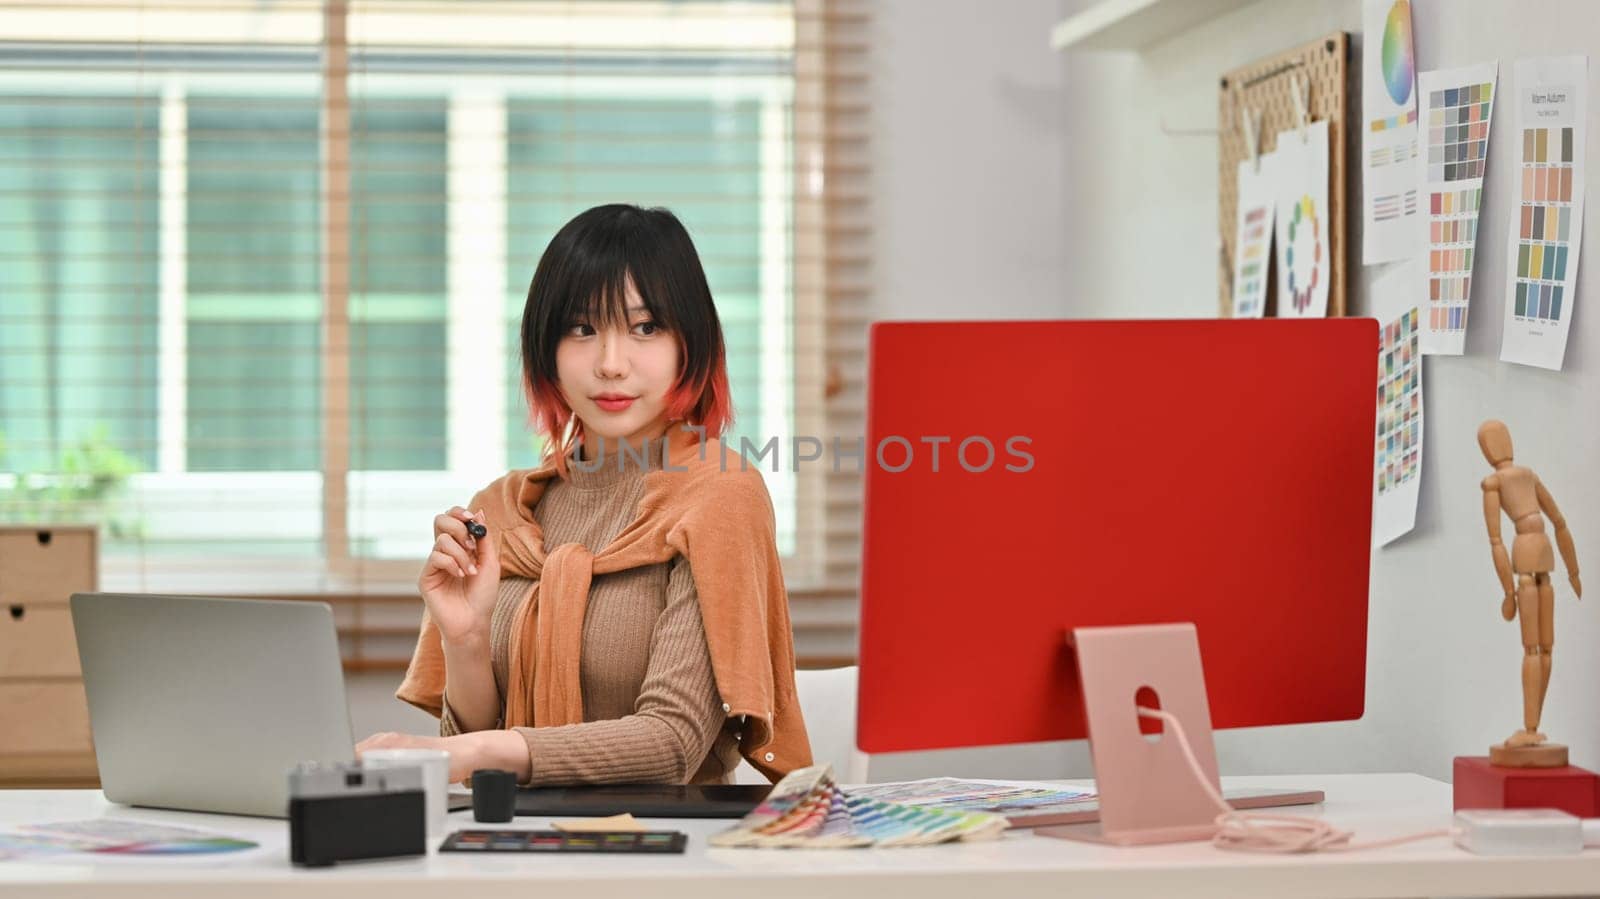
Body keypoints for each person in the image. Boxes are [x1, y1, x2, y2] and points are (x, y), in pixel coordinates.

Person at [358, 204, 812, 785]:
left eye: (646, 328)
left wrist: (455, 754)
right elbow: (477, 745)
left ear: (689, 345)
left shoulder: (717, 498)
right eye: (582, 329)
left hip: (666, 850)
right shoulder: (502, 510)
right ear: (545, 348)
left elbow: (673, 742)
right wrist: (466, 640)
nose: (611, 364)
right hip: (512, 838)